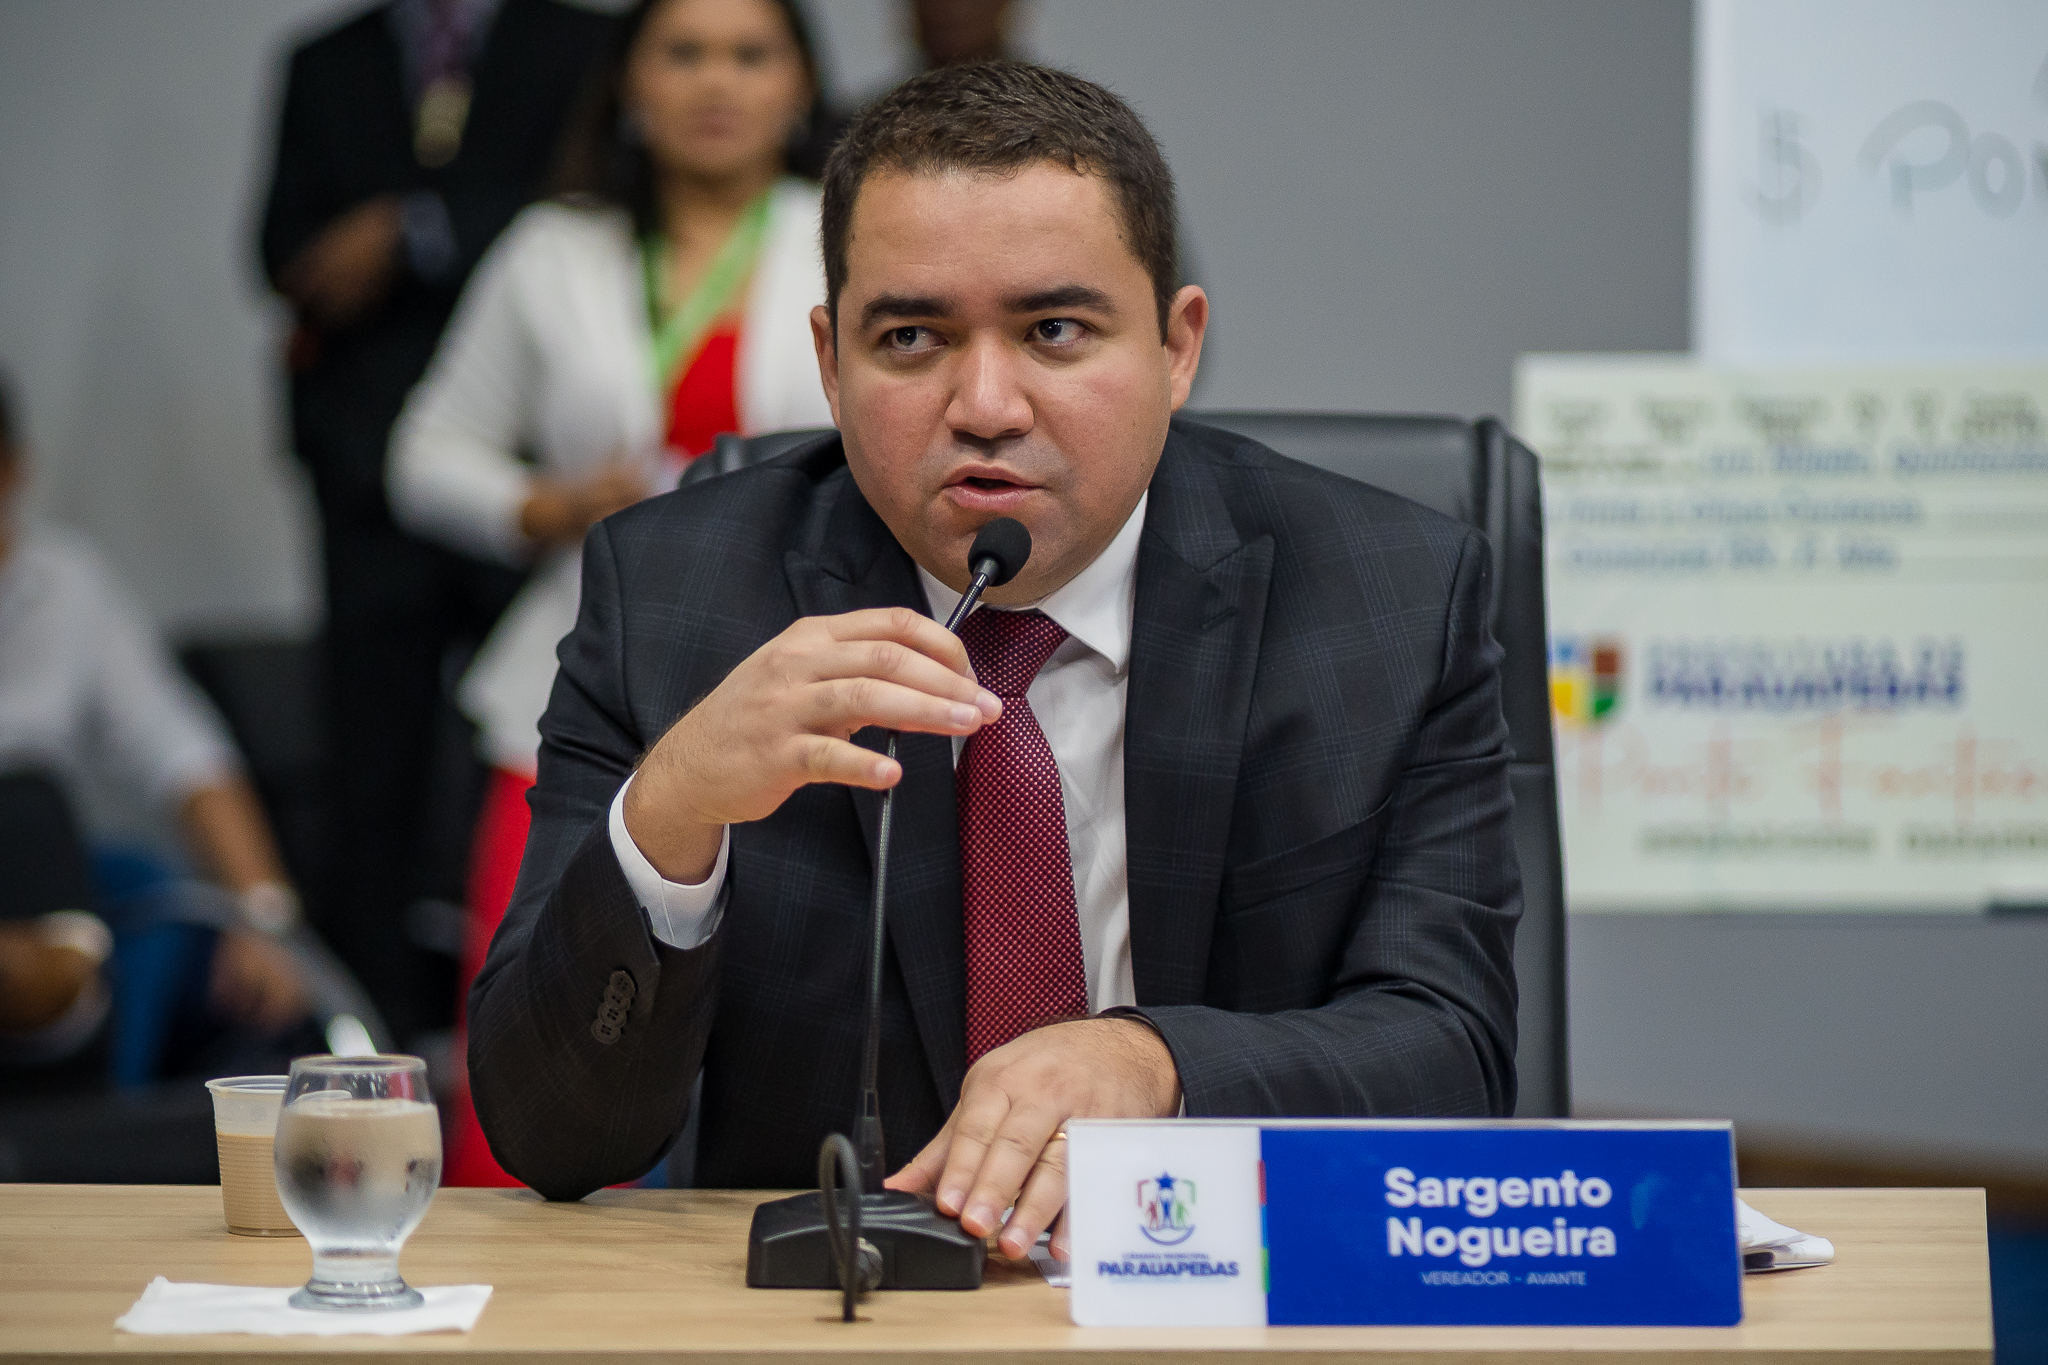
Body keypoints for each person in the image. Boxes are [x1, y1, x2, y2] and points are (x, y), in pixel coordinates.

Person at [469, 62, 1521, 1261]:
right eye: (910, 337)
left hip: (1230, 1294)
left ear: (1176, 347)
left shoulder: (1387, 601)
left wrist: (1156, 1061)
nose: (984, 404)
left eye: (1053, 332)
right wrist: (672, 812)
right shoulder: (676, 601)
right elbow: (551, 1137)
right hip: (837, 1315)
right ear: (830, 363)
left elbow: (1452, 1056)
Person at [388, 0, 835, 1185]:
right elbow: (422, 455)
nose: (715, 83)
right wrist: (543, 505)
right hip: (575, 677)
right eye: (682, 54)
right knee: (543, 1019)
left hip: (802, 684)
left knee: (775, 1044)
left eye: (749, 55)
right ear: (628, 83)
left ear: (800, 84)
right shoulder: (553, 248)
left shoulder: (846, 232)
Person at [256, 0, 614, 1046]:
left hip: (541, 477)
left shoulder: (577, 42)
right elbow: (277, 249)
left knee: (537, 747)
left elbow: (583, 202)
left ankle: (532, 1014)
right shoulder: (328, 60)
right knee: (369, 765)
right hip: (370, 478)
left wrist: (414, 229)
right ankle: (364, 1039)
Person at [0, 373, 312, 1089]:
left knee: (160, 903)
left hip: (43, 892)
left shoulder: (67, 585)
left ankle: (110, 1118)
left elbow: (184, 752)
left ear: (13, 468)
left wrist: (263, 920)